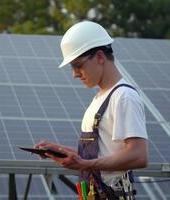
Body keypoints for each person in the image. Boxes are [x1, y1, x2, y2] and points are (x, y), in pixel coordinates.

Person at [34, 21, 148, 199]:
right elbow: (103, 153)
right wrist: (63, 152)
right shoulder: (100, 99)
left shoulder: (124, 96)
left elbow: (138, 155)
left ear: (100, 57)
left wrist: (86, 165)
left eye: (78, 65)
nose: (75, 73)